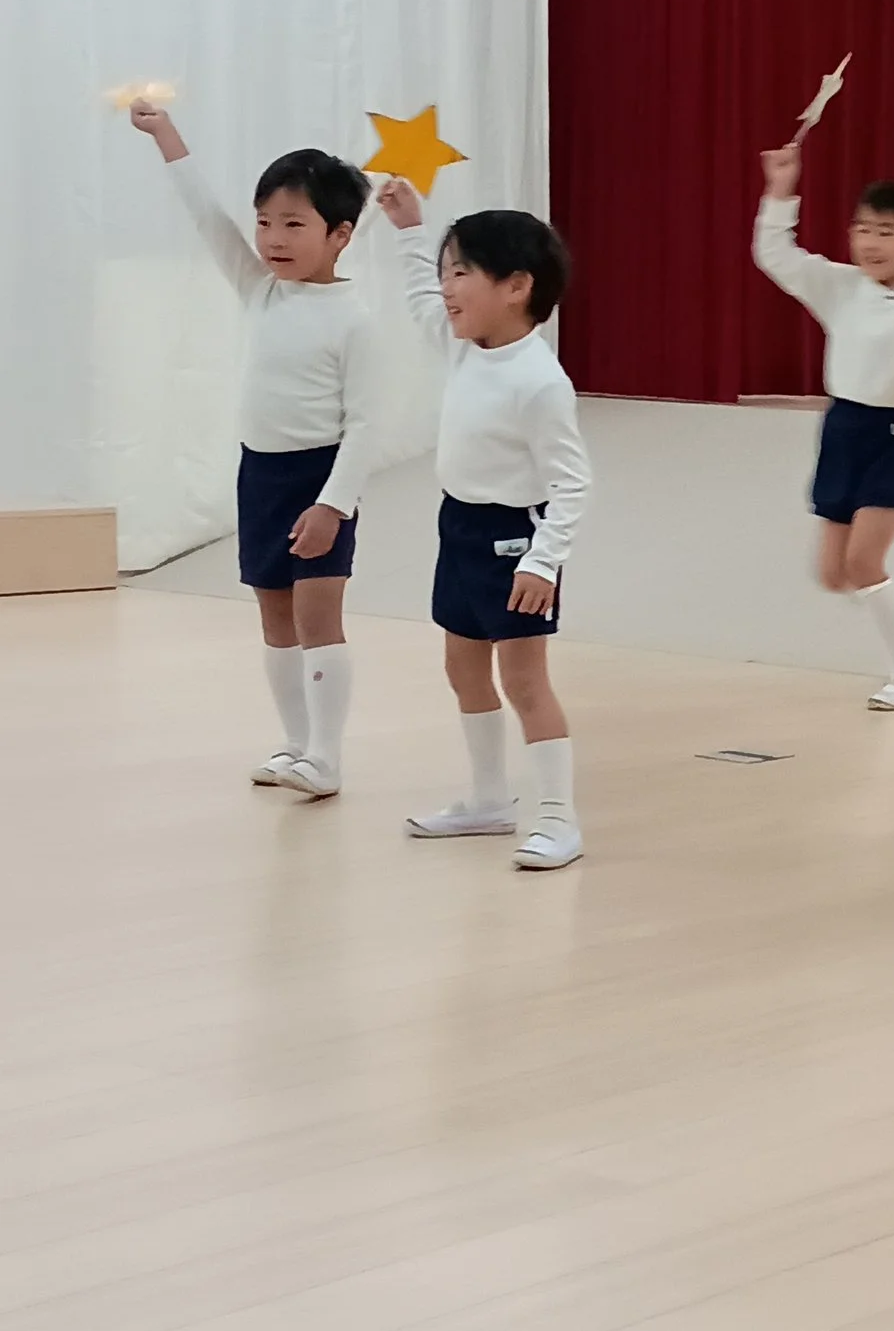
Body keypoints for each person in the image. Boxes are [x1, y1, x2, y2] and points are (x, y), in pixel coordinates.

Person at [129, 100, 377, 799]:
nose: (273, 238)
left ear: (340, 235)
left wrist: (333, 505)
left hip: (320, 481)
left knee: (317, 618)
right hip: (260, 475)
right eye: (265, 222)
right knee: (274, 616)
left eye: (294, 224)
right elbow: (207, 217)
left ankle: (326, 756)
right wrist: (165, 134)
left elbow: (366, 427)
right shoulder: (260, 290)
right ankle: (296, 744)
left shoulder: (354, 321)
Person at [376, 178, 592, 872]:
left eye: (462, 273)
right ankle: (490, 799)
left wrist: (542, 560)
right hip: (460, 527)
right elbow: (420, 301)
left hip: (514, 539)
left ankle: (558, 818)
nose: (446, 288)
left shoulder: (540, 381)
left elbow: (571, 482)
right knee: (461, 666)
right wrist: (411, 230)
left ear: (517, 286)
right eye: (446, 272)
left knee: (524, 682)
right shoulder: (466, 346)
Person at [753, 151, 894, 710]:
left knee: (864, 563)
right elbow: (775, 255)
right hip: (841, 426)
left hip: (892, 433)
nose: (870, 242)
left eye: (887, 232)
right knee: (833, 573)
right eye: (863, 228)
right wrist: (781, 191)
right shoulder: (842, 287)